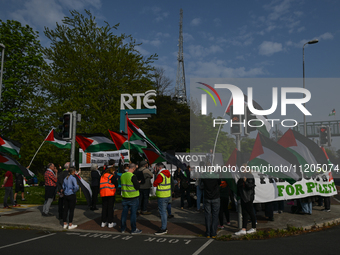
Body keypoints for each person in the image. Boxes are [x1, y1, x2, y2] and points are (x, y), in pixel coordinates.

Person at [235, 164, 256, 235]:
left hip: (248, 197)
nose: (242, 170)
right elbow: (239, 187)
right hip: (243, 197)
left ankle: (254, 227)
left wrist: (245, 181)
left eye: (244, 168)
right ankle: (243, 229)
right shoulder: (241, 177)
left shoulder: (250, 176)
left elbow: (250, 186)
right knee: (245, 214)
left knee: (250, 212)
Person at [121, 163, 142, 234]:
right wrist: (138, 182)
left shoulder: (123, 175)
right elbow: (137, 187)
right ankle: (133, 229)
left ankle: (123, 228)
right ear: (133, 168)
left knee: (124, 213)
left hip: (125, 196)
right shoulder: (133, 176)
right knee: (133, 214)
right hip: (133, 197)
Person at [153, 162, 171, 235]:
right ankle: (164, 227)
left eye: (156, 167)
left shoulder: (161, 175)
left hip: (162, 195)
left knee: (162, 212)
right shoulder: (168, 173)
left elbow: (155, 184)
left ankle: (163, 228)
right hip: (167, 195)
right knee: (164, 212)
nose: (155, 169)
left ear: (159, 167)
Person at [202, 173, 221, 238]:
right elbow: (219, 183)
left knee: (207, 215)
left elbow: (201, 185)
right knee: (215, 216)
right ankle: (213, 233)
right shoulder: (216, 176)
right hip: (215, 197)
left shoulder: (204, 176)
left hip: (207, 197)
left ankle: (208, 232)